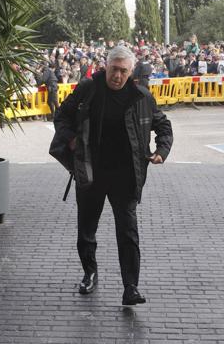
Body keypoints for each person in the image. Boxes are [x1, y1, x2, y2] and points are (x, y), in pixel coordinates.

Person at [50, 45, 173, 306]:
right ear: (106, 66)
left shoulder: (141, 96)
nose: (117, 76)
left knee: (128, 232)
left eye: (123, 71)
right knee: (87, 228)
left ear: (131, 72)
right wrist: (71, 139)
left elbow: (163, 125)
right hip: (91, 171)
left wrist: (162, 150)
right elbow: (62, 116)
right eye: (114, 69)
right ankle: (89, 272)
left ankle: (130, 287)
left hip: (126, 176)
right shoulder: (88, 88)